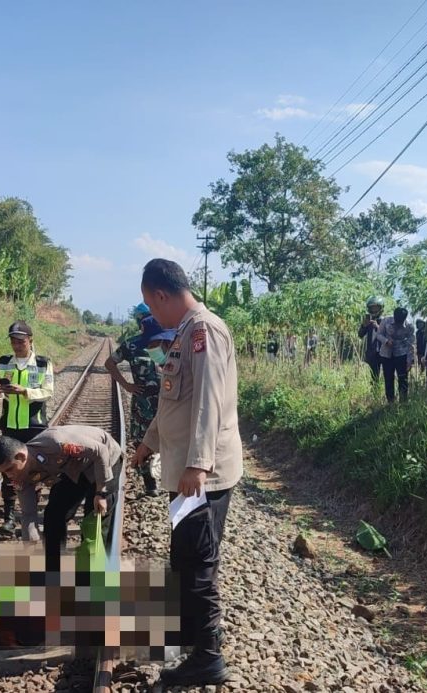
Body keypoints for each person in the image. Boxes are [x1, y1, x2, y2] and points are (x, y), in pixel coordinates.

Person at [131, 258, 243, 686]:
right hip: (185, 474)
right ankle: (191, 636)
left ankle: (208, 658)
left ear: (161, 294)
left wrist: (198, 463)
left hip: (201, 475)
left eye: (151, 306)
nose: (152, 315)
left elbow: (209, 402)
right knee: (184, 559)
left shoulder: (203, 330)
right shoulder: (184, 332)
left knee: (196, 563)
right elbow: (173, 403)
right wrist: (145, 447)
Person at [0, 425, 123, 572]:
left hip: (105, 459)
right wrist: (30, 542)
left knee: (95, 520)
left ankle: (98, 572)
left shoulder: (56, 443)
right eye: (4, 472)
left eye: (10, 469)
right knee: (53, 514)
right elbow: (28, 514)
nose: (9, 476)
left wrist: (101, 493)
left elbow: (100, 451)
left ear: (21, 457)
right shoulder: (20, 478)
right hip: (75, 469)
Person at [0, 320, 55, 531]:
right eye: (13, 341)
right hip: (10, 426)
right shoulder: (4, 362)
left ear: (30, 340)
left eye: (21, 341)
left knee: (36, 472)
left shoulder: (43, 363)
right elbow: (0, 391)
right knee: (8, 473)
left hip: (34, 426)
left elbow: (48, 391)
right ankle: (9, 517)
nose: (16, 345)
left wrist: (25, 391)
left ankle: (32, 516)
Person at [104, 316, 176, 497]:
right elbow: (109, 363)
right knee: (141, 441)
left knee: (170, 439)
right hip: (142, 403)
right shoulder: (132, 345)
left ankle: (169, 478)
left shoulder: (170, 341)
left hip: (167, 401)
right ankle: (150, 484)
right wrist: (126, 385)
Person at [377, 306, 414, 403]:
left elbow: (411, 343)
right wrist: (386, 341)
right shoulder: (386, 321)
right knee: (388, 378)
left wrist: (409, 361)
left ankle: (403, 402)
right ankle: (391, 402)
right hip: (386, 354)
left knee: (403, 378)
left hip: (402, 354)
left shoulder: (409, 326)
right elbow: (378, 335)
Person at [358, 296, 385, 383]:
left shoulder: (385, 320)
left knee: (387, 373)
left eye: (376, 307)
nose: (374, 310)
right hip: (372, 352)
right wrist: (363, 326)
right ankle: (375, 390)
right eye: (372, 308)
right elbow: (360, 335)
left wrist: (378, 326)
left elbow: (389, 335)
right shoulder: (368, 321)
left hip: (384, 352)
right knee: (374, 375)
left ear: (380, 308)